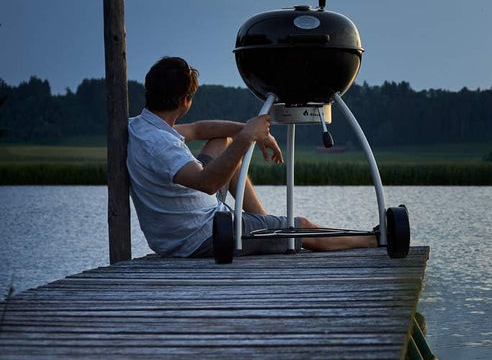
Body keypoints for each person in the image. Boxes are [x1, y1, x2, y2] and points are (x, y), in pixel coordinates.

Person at [127, 56, 376, 257]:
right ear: (184, 101)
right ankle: (373, 240)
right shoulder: (161, 145)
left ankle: (265, 222)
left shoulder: (143, 127)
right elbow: (207, 184)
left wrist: (250, 131)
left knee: (222, 142)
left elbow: (199, 129)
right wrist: (247, 137)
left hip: (186, 223)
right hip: (200, 236)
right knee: (302, 227)